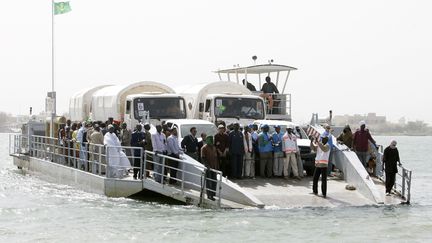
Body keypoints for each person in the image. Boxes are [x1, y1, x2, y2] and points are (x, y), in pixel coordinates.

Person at [201, 136, 219, 201]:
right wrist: (207, 166)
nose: (212, 141)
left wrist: (216, 167)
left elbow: (216, 158)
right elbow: (203, 158)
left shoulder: (214, 147)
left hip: (214, 167)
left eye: (212, 139)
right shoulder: (204, 148)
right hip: (208, 168)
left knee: (214, 181)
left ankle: (213, 195)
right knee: (209, 182)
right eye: (211, 139)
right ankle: (209, 195)